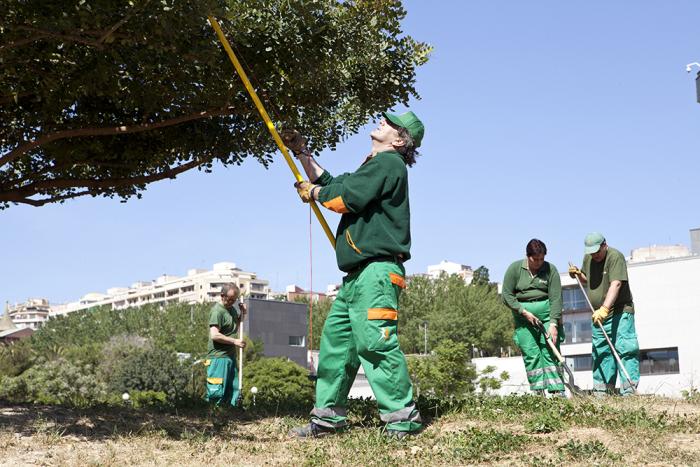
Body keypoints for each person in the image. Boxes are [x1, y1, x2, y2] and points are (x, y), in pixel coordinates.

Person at [284, 111, 424, 439]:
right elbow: (334, 184)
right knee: (336, 346)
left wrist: (313, 193)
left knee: (375, 343)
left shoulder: (389, 164)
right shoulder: (373, 166)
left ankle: (403, 419)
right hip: (356, 278)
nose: (381, 122)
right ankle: (328, 418)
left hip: (376, 274)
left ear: (399, 140)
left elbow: (346, 198)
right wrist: (302, 153)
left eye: (389, 123)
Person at [569, 232, 639, 395]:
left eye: (597, 252)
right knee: (601, 352)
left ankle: (629, 392)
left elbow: (616, 284)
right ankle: (602, 393)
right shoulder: (589, 258)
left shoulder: (615, 257)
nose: (594, 255)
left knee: (625, 349)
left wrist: (605, 308)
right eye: (591, 253)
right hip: (599, 315)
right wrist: (579, 275)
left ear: (604, 245)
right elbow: (588, 278)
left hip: (619, 312)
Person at [502, 239, 565, 396]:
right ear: (527, 256)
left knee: (550, 350)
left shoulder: (551, 270)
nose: (538, 263)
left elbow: (556, 298)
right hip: (524, 318)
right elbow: (507, 296)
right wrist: (523, 311)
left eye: (541, 259)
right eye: (535, 259)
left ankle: (557, 391)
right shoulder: (515, 269)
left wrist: (553, 324)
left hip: (546, 315)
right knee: (531, 353)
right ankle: (539, 392)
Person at [204, 283, 247, 407]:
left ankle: (231, 416)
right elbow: (215, 335)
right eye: (231, 299)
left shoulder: (232, 310)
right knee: (217, 392)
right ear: (222, 296)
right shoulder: (217, 311)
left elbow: (234, 328)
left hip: (230, 357)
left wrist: (242, 315)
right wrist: (235, 342)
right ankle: (213, 417)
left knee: (232, 390)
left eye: (235, 300)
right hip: (218, 358)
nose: (233, 302)